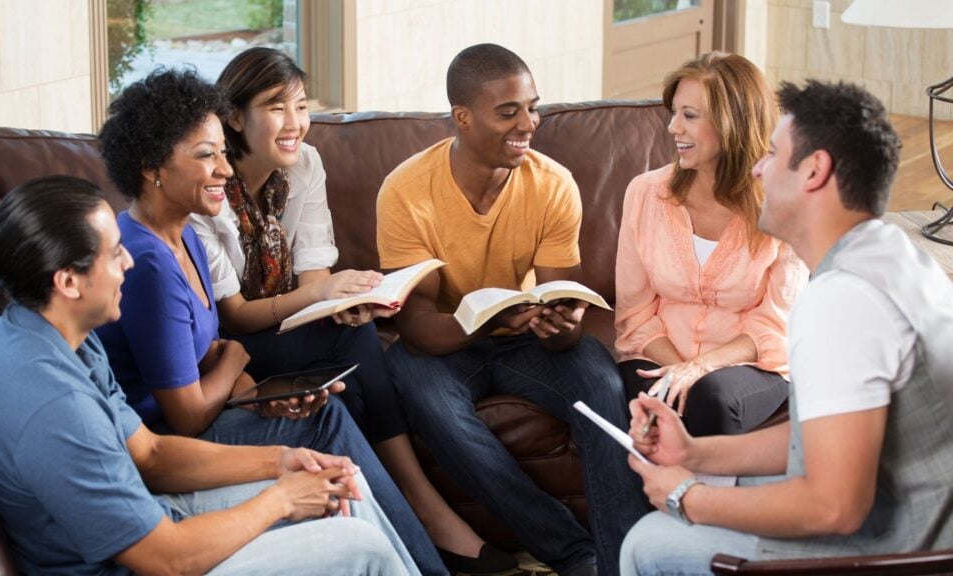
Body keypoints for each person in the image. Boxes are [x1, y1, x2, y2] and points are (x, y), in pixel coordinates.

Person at [0, 175, 412, 575]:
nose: (128, 263)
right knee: (361, 545)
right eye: (114, 254)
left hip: (148, 514)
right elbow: (166, 559)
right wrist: (284, 498)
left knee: (337, 483)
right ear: (68, 282)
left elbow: (150, 453)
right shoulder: (55, 407)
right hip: (133, 561)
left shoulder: (57, 332)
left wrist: (282, 460)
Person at [94, 68, 436, 576]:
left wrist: (263, 391)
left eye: (222, 153)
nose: (225, 170)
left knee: (321, 410)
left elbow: (207, 350)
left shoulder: (183, 232)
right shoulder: (145, 261)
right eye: (205, 155)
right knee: (325, 421)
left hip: (198, 414)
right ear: (151, 168)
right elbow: (187, 412)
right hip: (164, 438)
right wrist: (237, 356)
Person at [187, 47, 515, 574]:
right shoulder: (208, 190)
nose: (295, 123)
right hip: (232, 345)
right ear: (233, 117)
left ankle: (395, 522)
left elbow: (315, 271)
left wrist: (340, 301)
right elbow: (237, 315)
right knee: (355, 348)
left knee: (355, 339)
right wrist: (320, 297)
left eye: (300, 105)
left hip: (287, 325)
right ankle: (422, 512)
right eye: (276, 107)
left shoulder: (305, 164)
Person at [619, 80, 953, 575]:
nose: (757, 167)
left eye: (773, 154)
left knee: (648, 542)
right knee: (735, 486)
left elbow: (833, 508)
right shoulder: (894, 253)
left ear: (814, 172)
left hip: (900, 547)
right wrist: (695, 452)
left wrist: (687, 497)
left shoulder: (841, 301)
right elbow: (822, 431)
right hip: (911, 509)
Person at [376, 43, 648, 576]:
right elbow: (416, 328)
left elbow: (560, 311)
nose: (529, 123)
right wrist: (485, 321)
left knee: (601, 382)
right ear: (463, 116)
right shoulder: (406, 192)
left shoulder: (552, 184)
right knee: (421, 391)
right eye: (508, 112)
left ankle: (624, 559)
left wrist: (562, 328)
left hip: (523, 336)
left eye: (532, 107)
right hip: (446, 343)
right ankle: (574, 554)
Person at [615, 51, 807, 437]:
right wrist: (676, 371)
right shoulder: (646, 193)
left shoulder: (787, 202)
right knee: (645, 394)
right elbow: (633, 312)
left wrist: (701, 367)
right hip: (658, 354)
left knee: (710, 397)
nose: (672, 128)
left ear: (731, 123)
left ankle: (704, 498)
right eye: (674, 113)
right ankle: (663, 498)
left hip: (750, 364)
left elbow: (775, 322)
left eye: (689, 115)